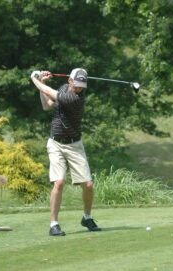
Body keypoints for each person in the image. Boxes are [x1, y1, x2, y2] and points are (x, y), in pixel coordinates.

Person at [30, 68, 101, 236]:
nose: (79, 89)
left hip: (75, 145)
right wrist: (43, 83)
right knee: (59, 182)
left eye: (82, 86)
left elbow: (48, 92)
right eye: (77, 85)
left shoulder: (75, 98)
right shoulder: (62, 89)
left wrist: (36, 80)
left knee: (88, 185)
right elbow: (47, 105)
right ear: (70, 80)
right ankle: (54, 224)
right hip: (55, 144)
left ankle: (87, 217)